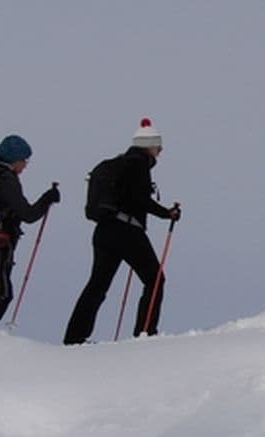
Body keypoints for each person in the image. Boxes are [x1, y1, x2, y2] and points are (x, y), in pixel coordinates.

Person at [64, 118, 180, 345]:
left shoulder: (118, 164)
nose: (160, 152)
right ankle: (145, 333)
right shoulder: (139, 164)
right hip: (127, 231)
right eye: (159, 147)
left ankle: (74, 338)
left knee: (98, 284)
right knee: (155, 279)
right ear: (150, 146)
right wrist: (167, 213)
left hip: (104, 230)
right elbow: (139, 199)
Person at [0, 135, 60, 330]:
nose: (25, 165)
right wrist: (48, 198)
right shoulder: (6, 179)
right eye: (24, 160)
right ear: (14, 160)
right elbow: (28, 214)